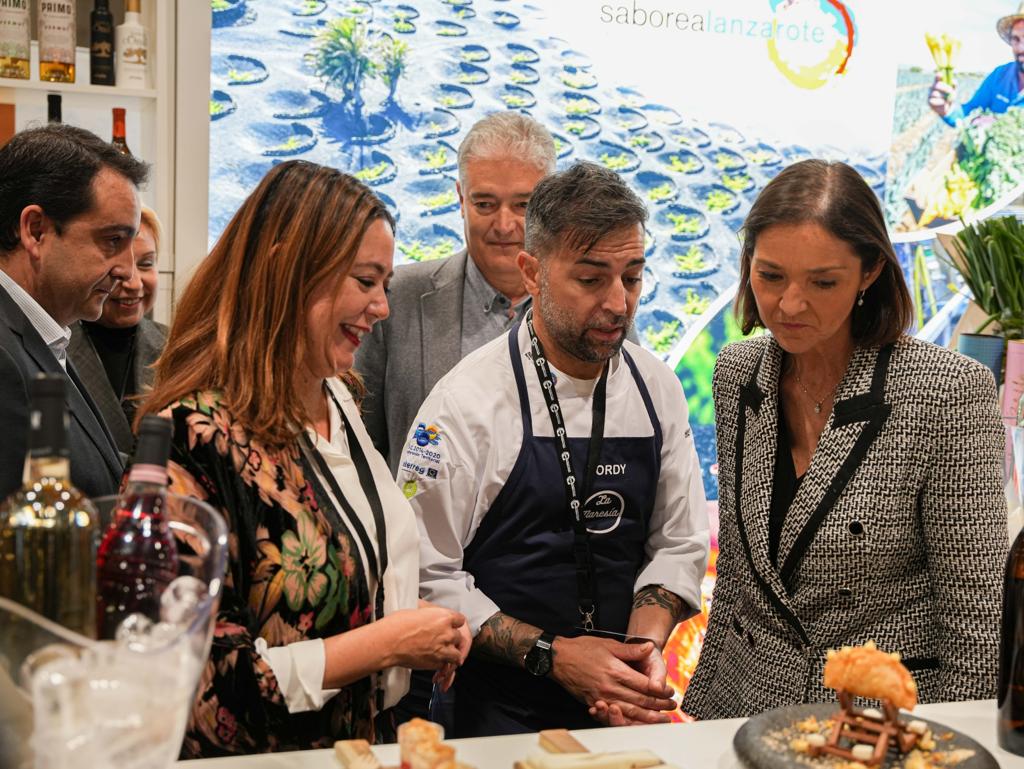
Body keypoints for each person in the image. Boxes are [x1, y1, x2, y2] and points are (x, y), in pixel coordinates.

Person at [137, 161, 469, 757]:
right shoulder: (196, 434)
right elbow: (204, 687)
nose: (381, 308)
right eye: (365, 281)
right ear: (288, 270)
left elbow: (328, 584)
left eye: (385, 286)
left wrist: (412, 620)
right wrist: (389, 643)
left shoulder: (338, 399)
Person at [682, 159, 1007, 720]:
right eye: (770, 275)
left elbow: (975, 622)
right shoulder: (740, 372)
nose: (789, 304)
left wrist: (954, 747)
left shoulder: (948, 393)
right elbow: (739, 575)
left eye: (823, 282)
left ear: (872, 271)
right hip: (747, 706)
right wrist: (704, 716)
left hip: (879, 715)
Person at [400, 161, 709, 737]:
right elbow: (423, 571)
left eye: (633, 277)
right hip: (493, 713)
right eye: (592, 280)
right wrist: (555, 656)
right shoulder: (464, 404)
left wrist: (637, 657)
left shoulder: (655, 387)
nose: (619, 303)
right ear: (532, 272)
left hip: (619, 711)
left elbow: (680, 540)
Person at [355, 112, 556, 473]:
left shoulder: (593, 308)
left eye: (523, 205)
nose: (505, 224)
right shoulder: (395, 299)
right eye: (485, 204)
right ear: (461, 199)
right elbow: (361, 448)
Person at [0, 123, 147, 499]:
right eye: (112, 241)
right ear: (35, 231)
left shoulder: (45, 334)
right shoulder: (4, 356)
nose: (128, 272)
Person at [69, 206, 167, 454]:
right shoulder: (53, 346)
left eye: (146, 264)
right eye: (118, 267)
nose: (134, 284)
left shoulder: (179, 348)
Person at [929, 3, 1024, 126]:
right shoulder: (1000, 75)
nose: (1021, 48)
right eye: (1016, 39)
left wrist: (999, 125)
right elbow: (967, 113)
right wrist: (947, 109)